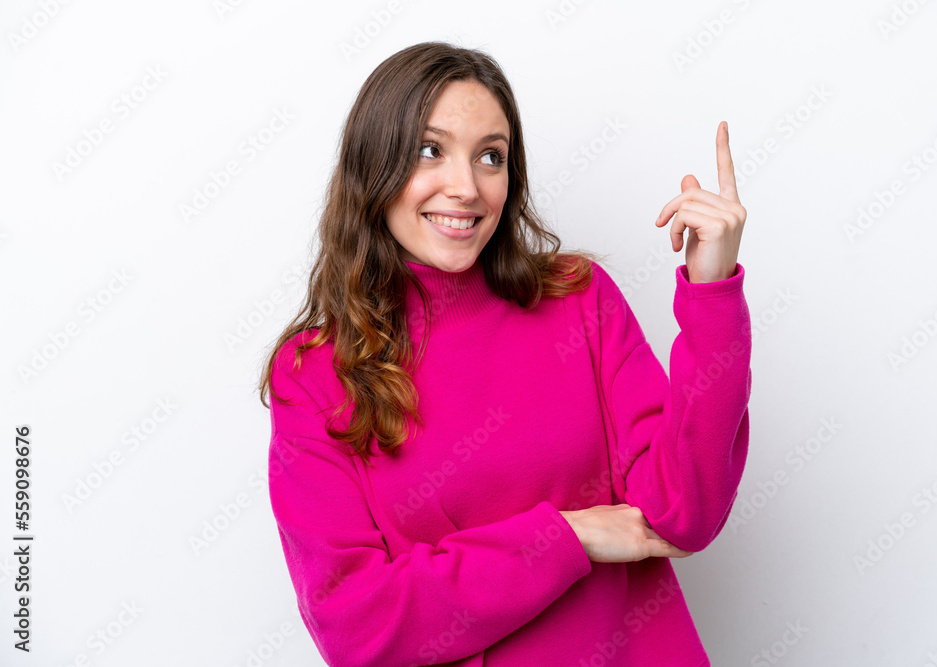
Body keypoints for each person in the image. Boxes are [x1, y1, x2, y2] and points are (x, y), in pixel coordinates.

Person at [259, 40, 750, 667]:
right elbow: (357, 626)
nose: (466, 188)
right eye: (430, 150)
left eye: (490, 156)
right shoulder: (313, 375)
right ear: (372, 167)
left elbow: (684, 514)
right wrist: (567, 536)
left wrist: (712, 293)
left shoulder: (578, 297)